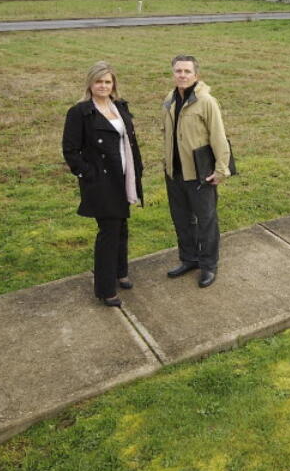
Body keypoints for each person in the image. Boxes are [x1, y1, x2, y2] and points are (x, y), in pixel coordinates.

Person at [62, 61, 144, 307]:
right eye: (99, 81)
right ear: (90, 83)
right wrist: (89, 174)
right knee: (108, 232)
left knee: (121, 227)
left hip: (124, 177)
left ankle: (120, 272)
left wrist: (136, 170)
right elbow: (70, 150)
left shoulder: (119, 106)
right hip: (102, 182)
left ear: (113, 84)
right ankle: (105, 289)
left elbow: (129, 141)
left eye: (108, 82)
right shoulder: (80, 112)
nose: (103, 86)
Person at [162, 54, 230, 288]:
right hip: (175, 173)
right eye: (178, 71)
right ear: (173, 74)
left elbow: (218, 137)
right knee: (181, 219)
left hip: (200, 173)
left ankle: (209, 265)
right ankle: (189, 259)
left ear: (196, 75)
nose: (182, 75)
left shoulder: (206, 101)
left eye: (186, 71)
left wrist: (221, 170)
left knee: (206, 220)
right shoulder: (170, 98)